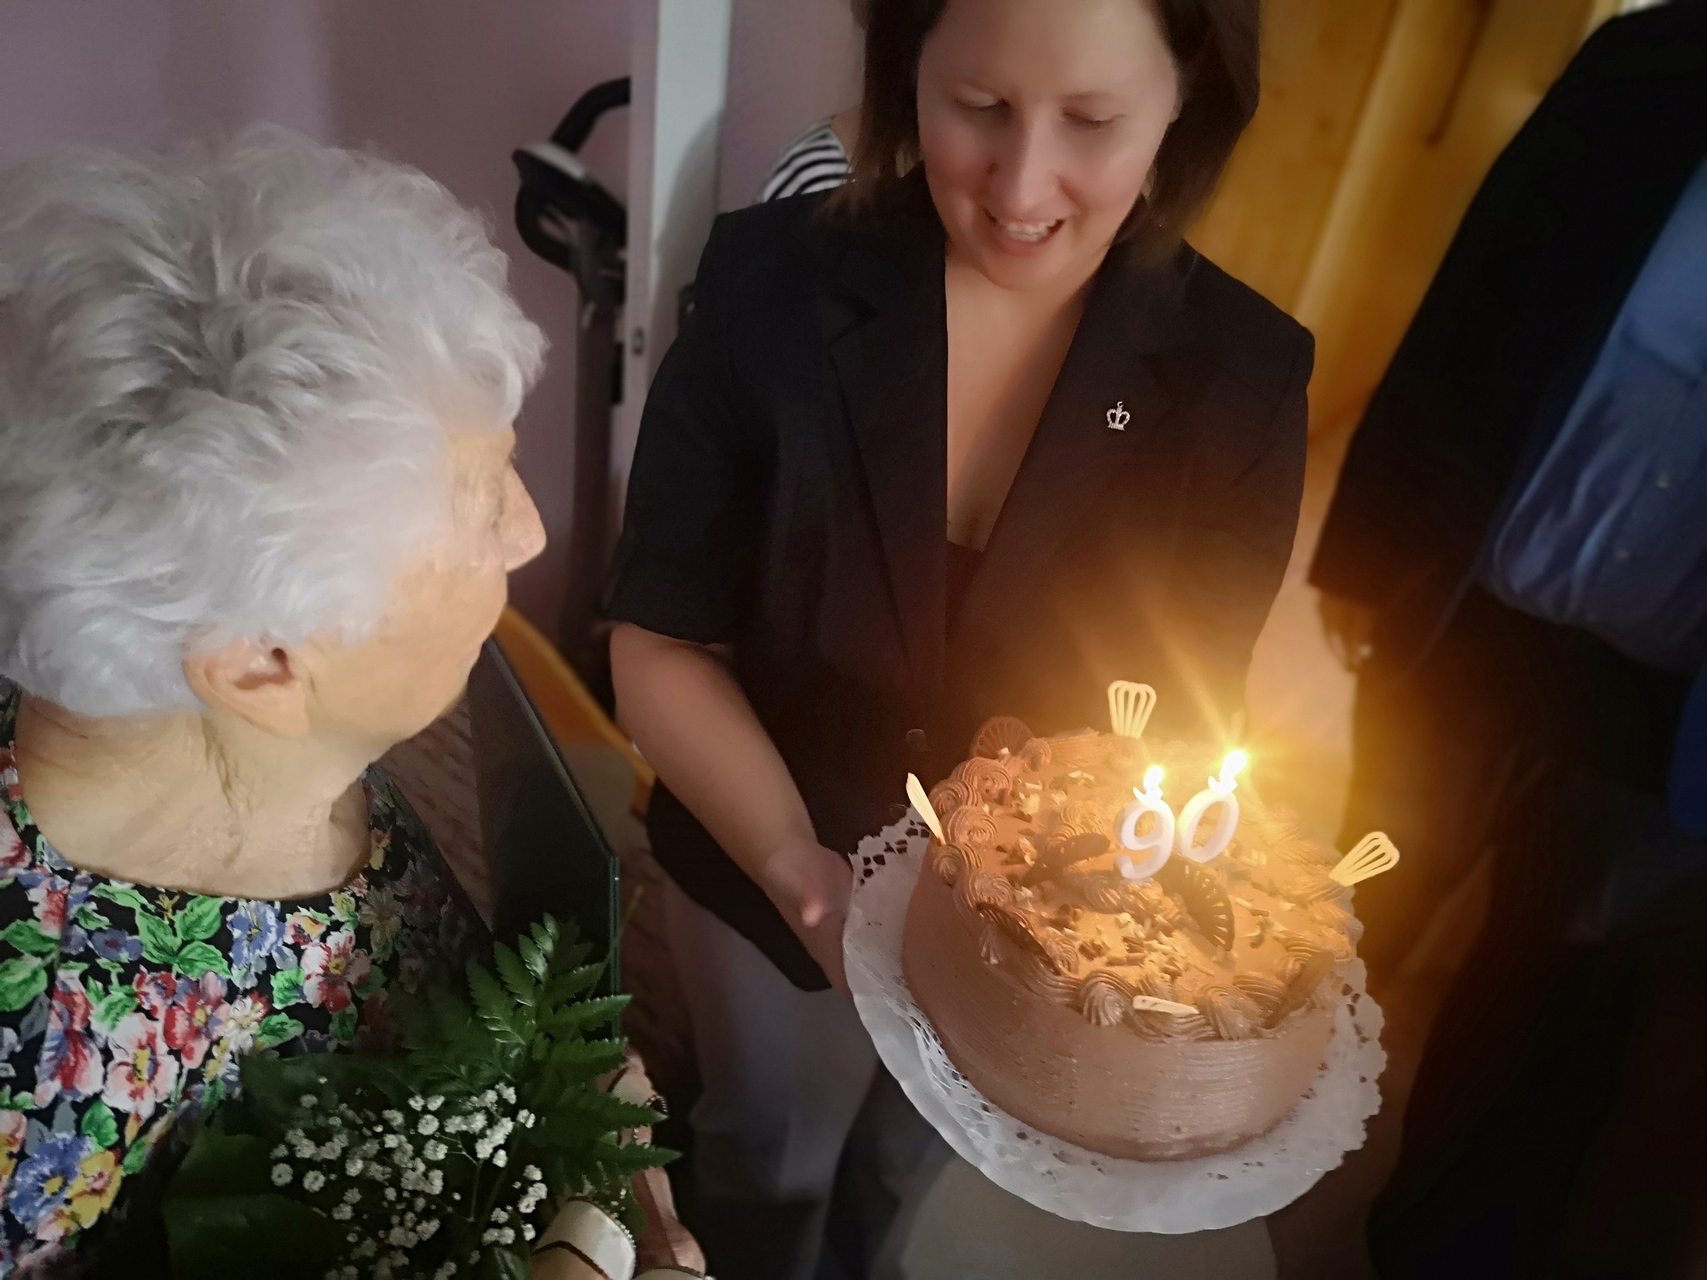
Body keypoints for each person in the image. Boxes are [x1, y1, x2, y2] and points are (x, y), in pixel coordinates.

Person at [604, 0, 1311, 1274]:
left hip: (1034, 937)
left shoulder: (1241, 379)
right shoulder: (770, 289)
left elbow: (1177, 712)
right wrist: (796, 865)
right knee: (764, 1157)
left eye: (1091, 121)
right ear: (905, 72)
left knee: (909, 1166)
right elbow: (662, 638)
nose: (1021, 186)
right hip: (762, 857)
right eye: (978, 108)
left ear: (1186, 101)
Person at [0, 131, 548, 1269]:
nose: (531, 532)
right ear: (263, 664)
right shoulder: (35, 1087)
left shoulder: (278, 732)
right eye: (481, 498)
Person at [1310, 2, 1707, 1274]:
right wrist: (1364, 546)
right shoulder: (1651, 60)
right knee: (1355, 910)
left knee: (1534, 1020)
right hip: (1478, 622)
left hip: (1664, 716)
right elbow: (1477, 294)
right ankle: (1225, 1149)